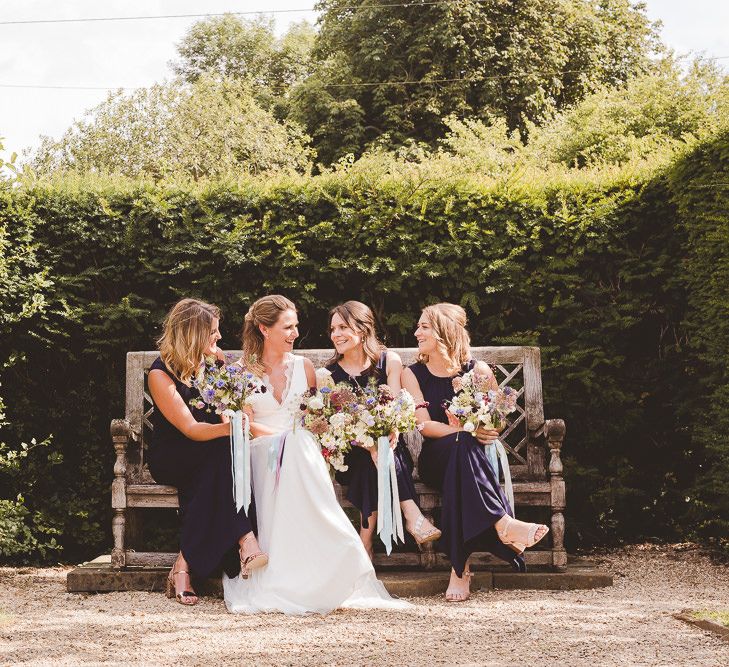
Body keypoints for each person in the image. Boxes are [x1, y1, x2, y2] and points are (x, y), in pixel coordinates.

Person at [223, 295, 410, 615]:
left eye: (296, 326)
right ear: (264, 329)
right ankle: (310, 563)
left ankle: (335, 560)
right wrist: (287, 438)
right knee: (296, 443)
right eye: (287, 327)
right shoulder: (241, 371)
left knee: (301, 444)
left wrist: (363, 439)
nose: (295, 333)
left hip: (302, 451)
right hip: (262, 453)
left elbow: (317, 420)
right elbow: (247, 426)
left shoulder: (304, 367)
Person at [401, 303, 549, 602]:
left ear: (445, 330)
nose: (416, 332)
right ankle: (502, 523)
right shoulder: (412, 374)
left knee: (462, 461)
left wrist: (489, 427)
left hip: (472, 459)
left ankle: (460, 570)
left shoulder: (478, 371)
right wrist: (466, 431)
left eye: (424, 327)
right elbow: (424, 426)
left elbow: (497, 416)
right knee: (462, 444)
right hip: (435, 459)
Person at [147, 298, 266, 606]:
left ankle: (184, 565)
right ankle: (245, 538)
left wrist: (237, 418)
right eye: (213, 331)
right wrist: (230, 429)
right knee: (221, 456)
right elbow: (190, 429)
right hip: (174, 455)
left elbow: (238, 408)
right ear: (193, 333)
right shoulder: (161, 374)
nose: (219, 338)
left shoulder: (216, 363)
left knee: (218, 463)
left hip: (213, 452)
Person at [325, 300, 440, 558]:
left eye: (343, 327)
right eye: (333, 329)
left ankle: (363, 544)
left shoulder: (389, 361)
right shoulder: (329, 374)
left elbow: (395, 408)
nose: (336, 335)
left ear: (363, 329)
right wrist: (366, 443)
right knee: (369, 460)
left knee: (381, 454)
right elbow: (336, 425)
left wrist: (391, 431)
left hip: (390, 449)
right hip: (351, 454)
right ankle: (412, 516)